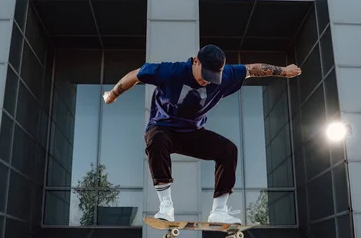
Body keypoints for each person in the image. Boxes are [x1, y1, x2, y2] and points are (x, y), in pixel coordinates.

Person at [103, 45, 301, 224]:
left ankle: (219, 211)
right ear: (195, 61)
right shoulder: (170, 71)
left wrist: (283, 71)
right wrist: (113, 94)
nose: (206, 80)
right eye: (204, 74)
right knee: (156, 140)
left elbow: (251, 69)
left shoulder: (227, 75)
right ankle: (166, 206)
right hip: (164, 127)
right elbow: (136, 74)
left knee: (228, 150)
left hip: (192, 133)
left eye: (213, 76)